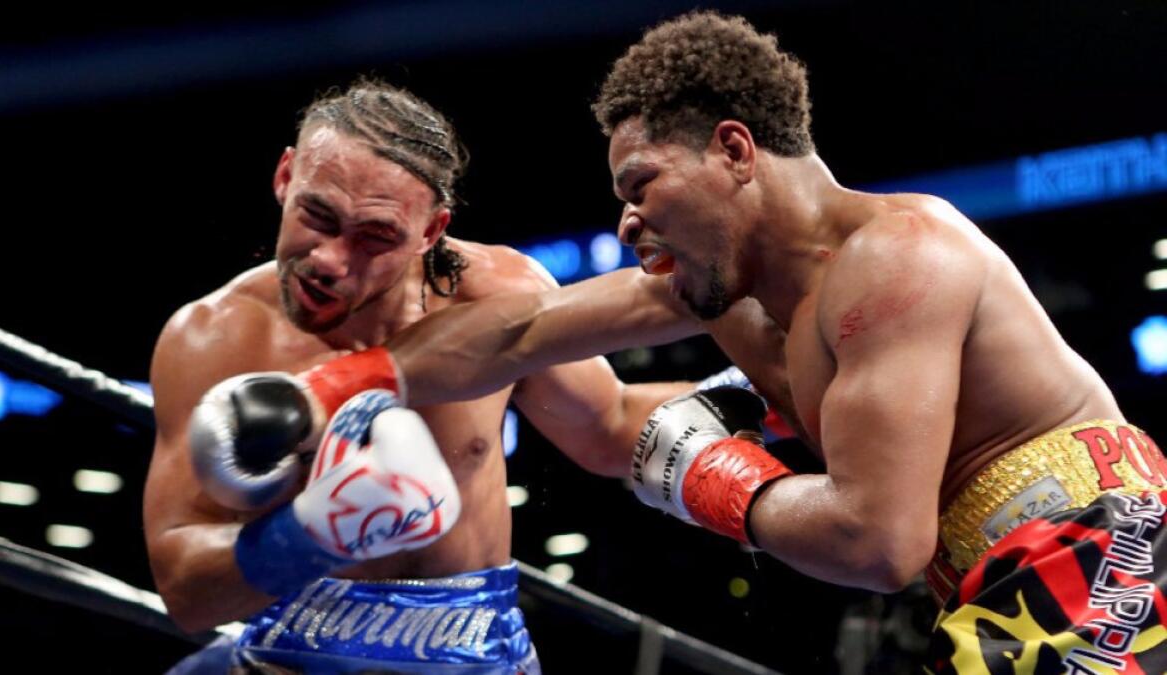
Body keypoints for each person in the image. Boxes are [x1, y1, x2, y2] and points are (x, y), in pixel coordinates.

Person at [219, 12, 1167, 673]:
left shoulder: (898, 259)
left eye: (641, 185)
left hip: (1100, 548)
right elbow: (522, 330)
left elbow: (878, 540)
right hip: (997, 580)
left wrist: (703, 473)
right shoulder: (727, 293)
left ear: (735, 150)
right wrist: (338, 381)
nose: (628, 223)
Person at [142, 77, 704, 674]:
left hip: (478, 657)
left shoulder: (499, 297)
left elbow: (610, 426)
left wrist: (759, 401)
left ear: (430, 232)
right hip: (291, 655)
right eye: (318, 215)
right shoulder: (214, 337)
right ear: (285, 178)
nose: (330, 259)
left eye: (375, 237)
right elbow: (185, 590)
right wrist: (315, 531)